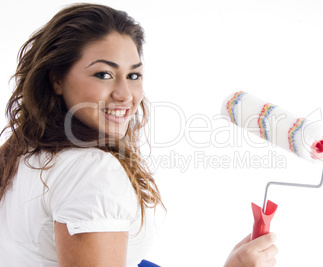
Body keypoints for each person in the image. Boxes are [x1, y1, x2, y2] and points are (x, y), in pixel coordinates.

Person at [0, 3, 277, 266]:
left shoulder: (22, 153)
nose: (125, 95)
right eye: (104, 74)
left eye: (134, 76)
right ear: (57, 79)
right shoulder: (92, 171)